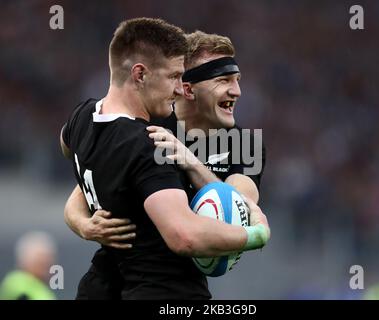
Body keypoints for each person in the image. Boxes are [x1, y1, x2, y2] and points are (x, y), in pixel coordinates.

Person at [60, 19, 270, 300]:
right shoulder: (147, 125)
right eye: (223, 80)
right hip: (118, 281)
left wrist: (190, 162)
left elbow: (241, 210)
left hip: (170, 280)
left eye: (237, 80)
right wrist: (82, 224)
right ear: (187, 87)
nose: (237, 91)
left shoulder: (245, 143)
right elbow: (90, 180)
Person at [0, 231, 57, 300]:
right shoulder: (16, 281)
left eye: (48, 259)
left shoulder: (42, 288)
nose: (46, 263)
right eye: (40, 259)